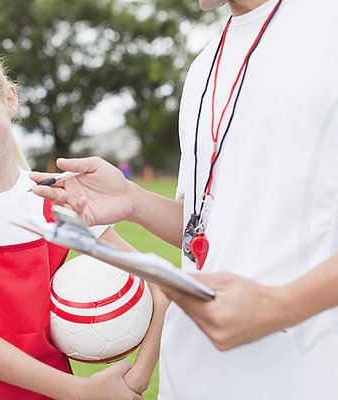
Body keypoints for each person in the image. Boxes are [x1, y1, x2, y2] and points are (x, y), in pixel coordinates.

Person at [30, 0, 338, 399]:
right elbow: (206, 228)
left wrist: (281, 305)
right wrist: (132, 200)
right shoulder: (203, 66)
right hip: (190, 378)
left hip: (301, 379)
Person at [0, 46, 163, 400]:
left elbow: (158, 283)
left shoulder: (59, 199)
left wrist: (137, 380)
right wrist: (81, 391)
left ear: (10, 99)